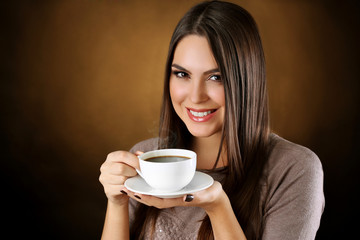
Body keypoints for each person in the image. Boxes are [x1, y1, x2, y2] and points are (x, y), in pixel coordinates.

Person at [99, 1, 325, 239]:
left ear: (247, 81)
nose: (196, 96)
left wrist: (218, 207)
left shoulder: (293, 169)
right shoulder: (144, 159)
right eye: (182, 74)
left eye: (216, 77)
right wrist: (117, 203)